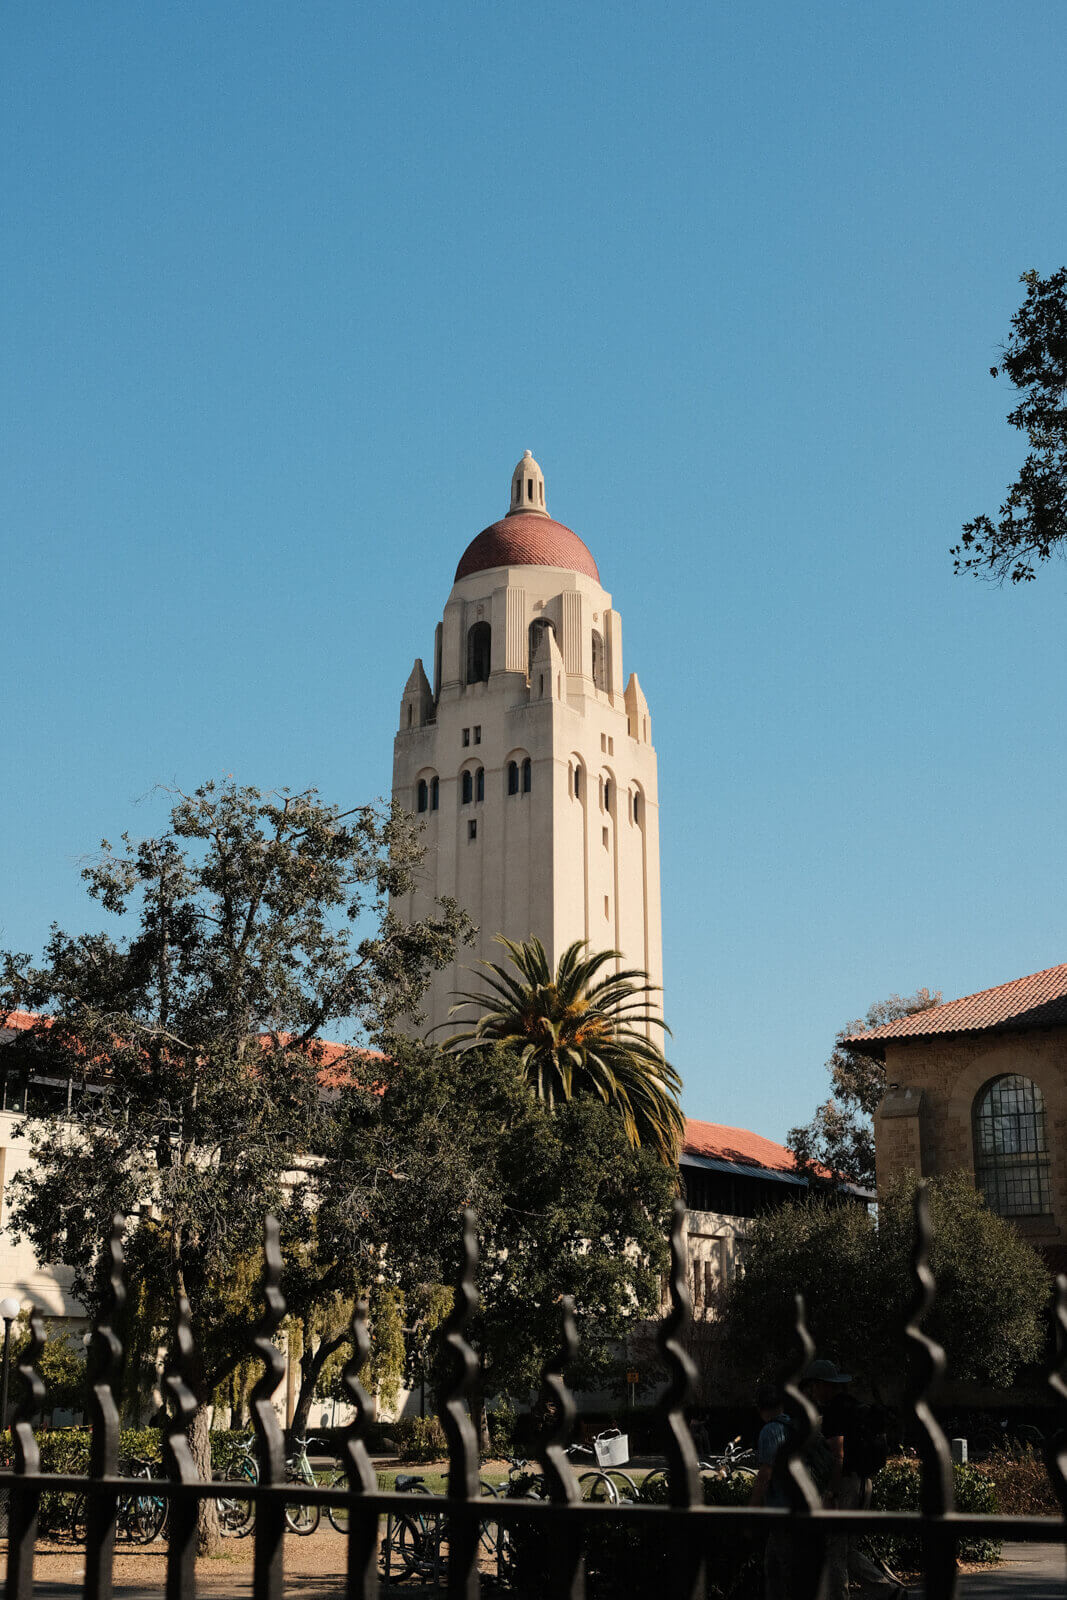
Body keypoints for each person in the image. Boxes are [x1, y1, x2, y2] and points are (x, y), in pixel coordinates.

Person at [802, 1359, 905, 1600]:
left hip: (845, 1485)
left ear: (826, 1385)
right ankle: (891, 1593)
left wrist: (831, 1493)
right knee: (847, 1550)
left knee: (834, 1552)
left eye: (814, 1386)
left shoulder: (836, 1412)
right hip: (864, 1483)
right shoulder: (855, 1407)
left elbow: (838, 1456)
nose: (812, 1392)